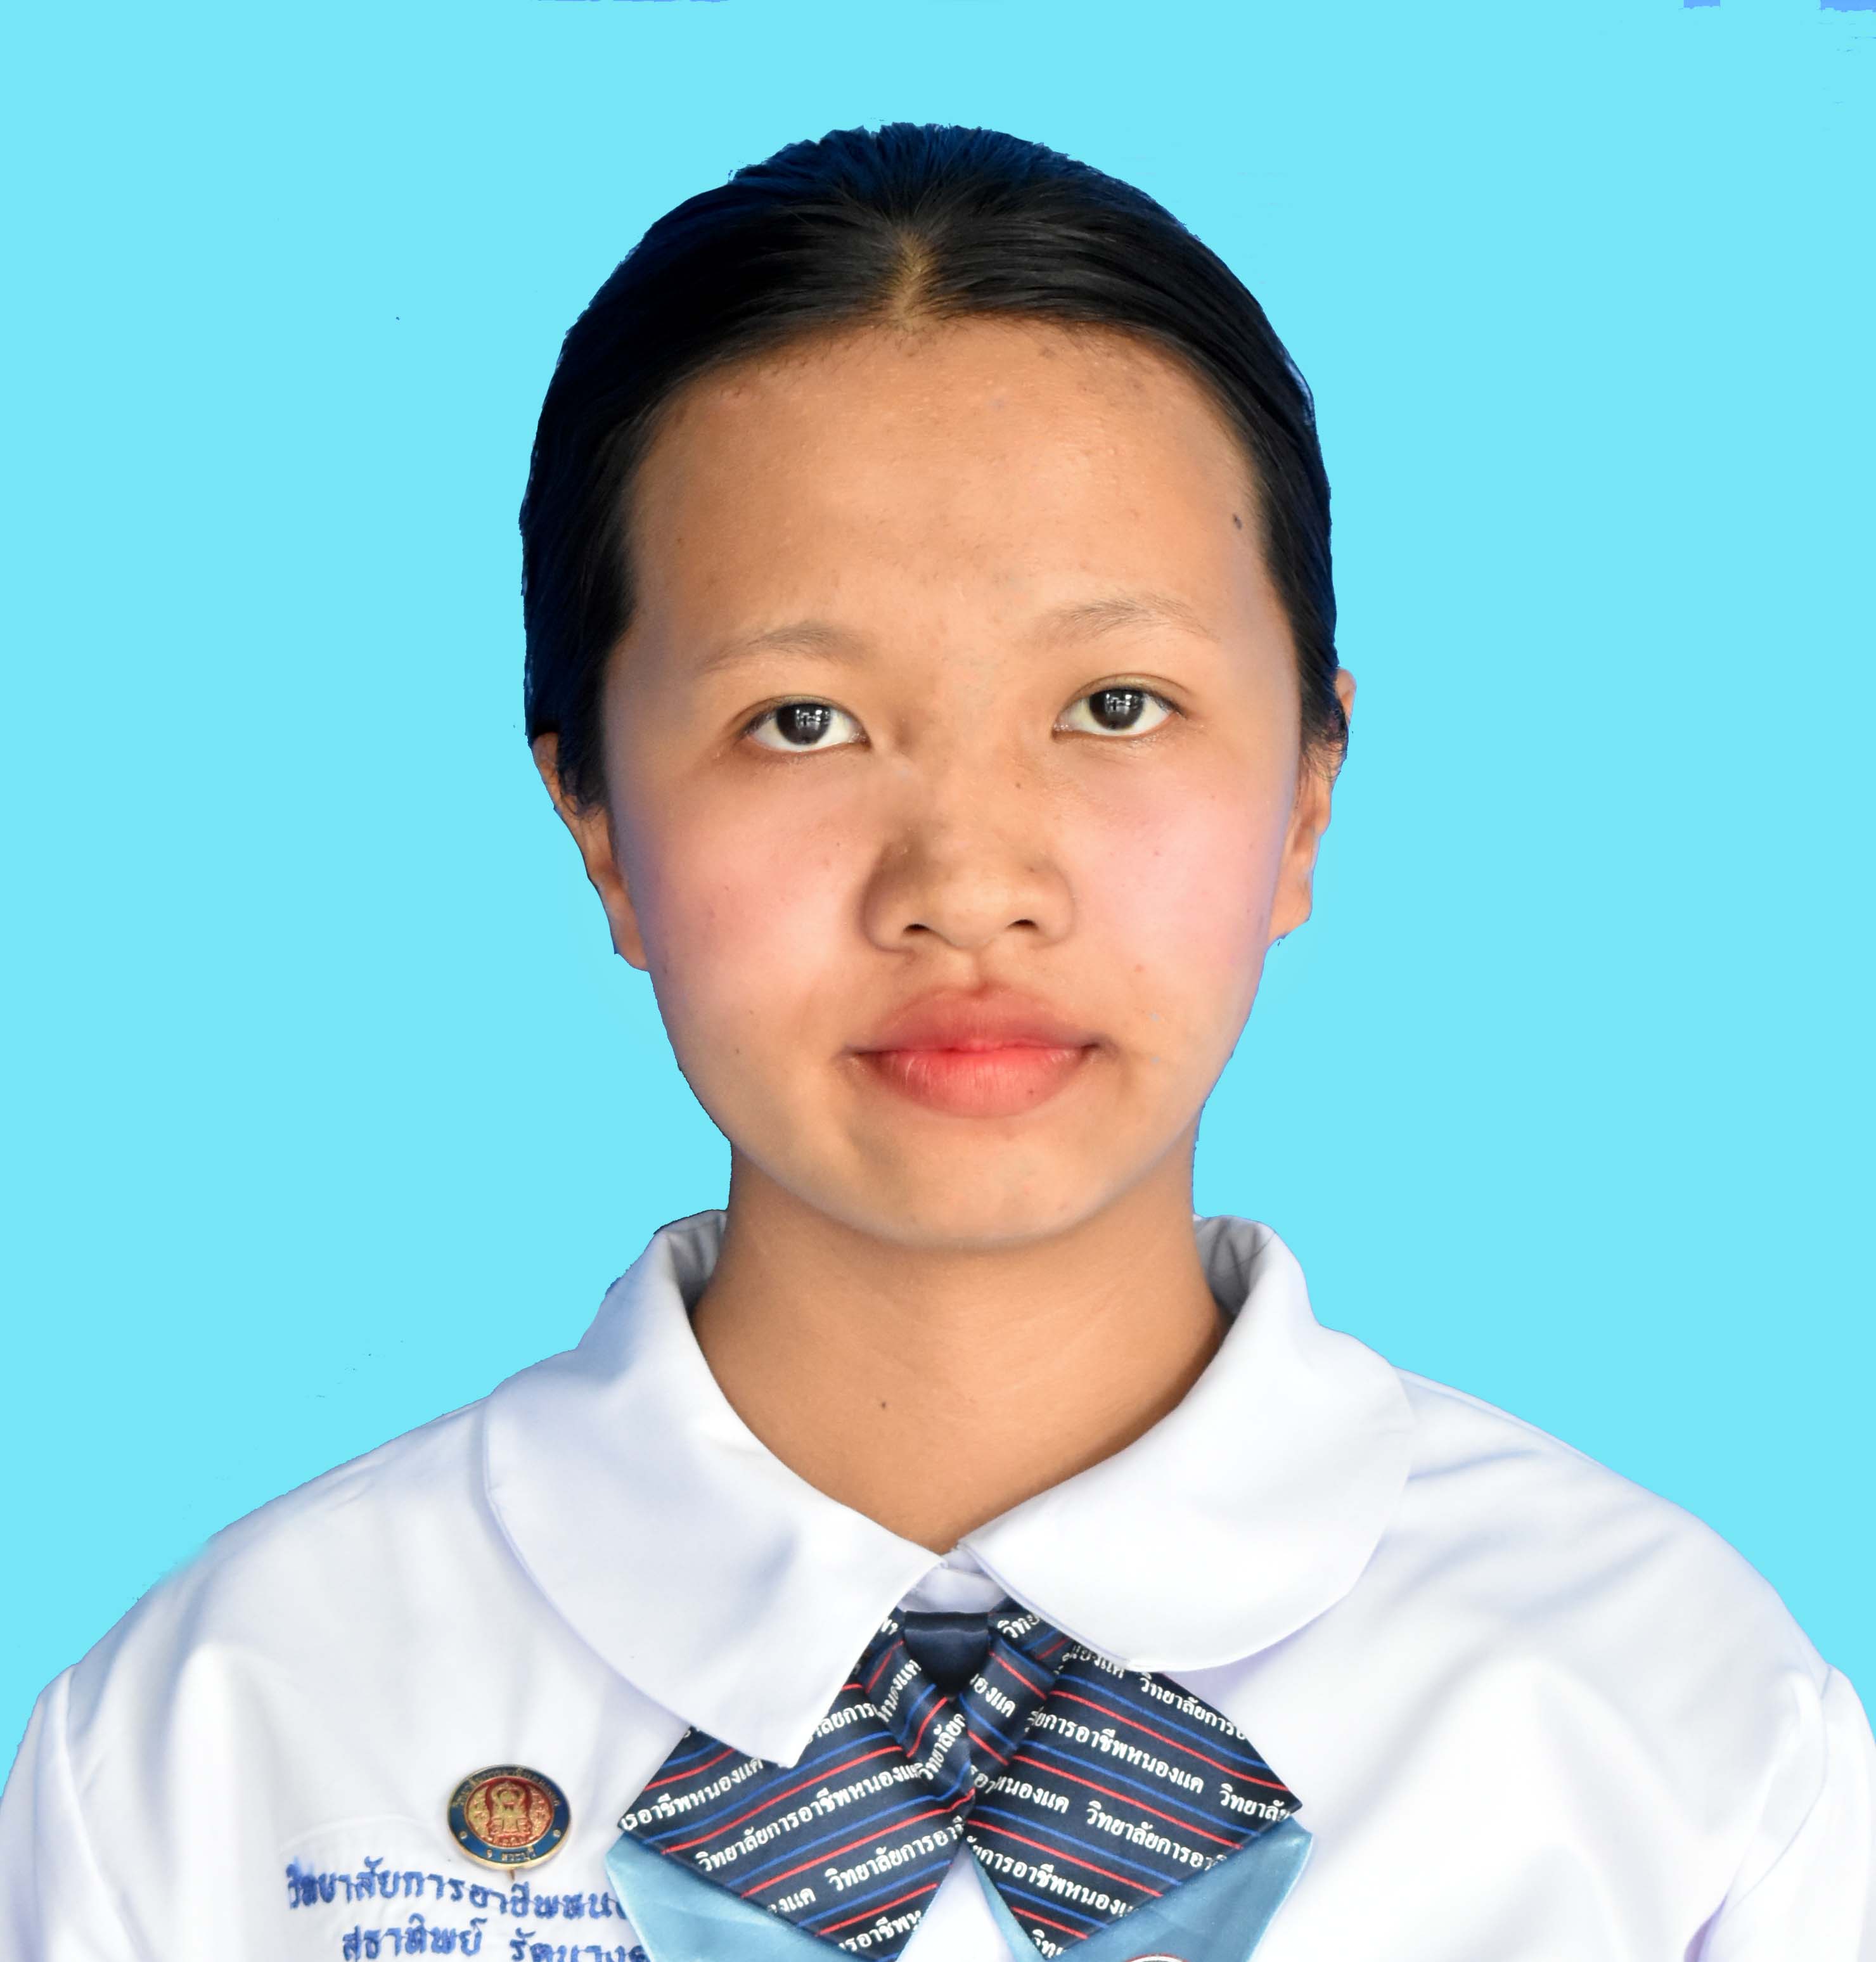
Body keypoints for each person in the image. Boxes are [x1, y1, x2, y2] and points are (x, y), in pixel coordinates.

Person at [1, 121, 1870, 1962]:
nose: (969, 886)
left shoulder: (1687, 1736)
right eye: (801, 721)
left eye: (1116, 703)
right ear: (598, 825)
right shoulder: (220, 1742)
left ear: (1309, 794)